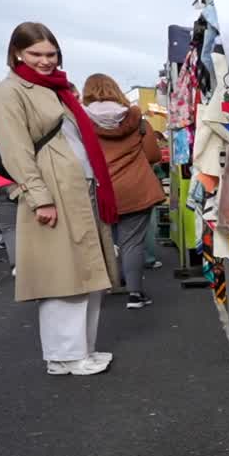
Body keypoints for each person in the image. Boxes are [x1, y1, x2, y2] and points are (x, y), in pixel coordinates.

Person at [0, 22, 119, 375]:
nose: (45, 61)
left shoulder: (57, 88)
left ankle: (81, 349)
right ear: (17, 52)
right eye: (36, 54)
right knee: (63, 277)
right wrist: (39, 197)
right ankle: (65, 355)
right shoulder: (9, 91)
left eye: (51, 54)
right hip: (54, 190)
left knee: (88, 274)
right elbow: (16, 150)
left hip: (79, 188)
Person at [82, 73, 164, 309]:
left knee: (102, 240)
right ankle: (135, 294)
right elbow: (153, 155)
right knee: (132, 243)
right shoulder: (137, 121)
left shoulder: (80, 123)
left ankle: (105, 286)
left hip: (99, 191)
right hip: (136, 189)